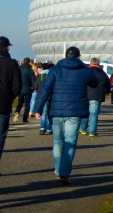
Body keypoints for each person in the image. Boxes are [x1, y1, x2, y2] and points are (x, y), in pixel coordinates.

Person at [33, 46, 99, 185]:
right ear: (78, 57)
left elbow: (45, 89)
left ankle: (58, 170)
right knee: (70, 142)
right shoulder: (84, 71)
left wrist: (37, 108)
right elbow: (95, 83)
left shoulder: (55, 70)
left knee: (58, 142)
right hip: (74, 111)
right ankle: (64, 172)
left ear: (65, 55)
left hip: (56, 111)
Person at [0, 37, 22, 177]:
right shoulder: (12, 64)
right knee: (0, 136)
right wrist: (9, 98)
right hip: (3, 104)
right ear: (7, 47)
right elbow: (17, 87)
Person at [81, 58, 111, 136]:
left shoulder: (86, 71)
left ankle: (83, 129)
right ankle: (92, 132)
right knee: (94, 114)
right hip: (97, 96)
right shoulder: (103, 73)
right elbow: (108, 84)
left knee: (85, 113)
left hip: (86, 94)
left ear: (91, 64)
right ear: (98, 64)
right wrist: (107, 91)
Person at [13, 57, 35, 123]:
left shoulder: (19, 69)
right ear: (29, 62)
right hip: (28, 89)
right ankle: (25, 118)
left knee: (20, 102)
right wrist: (33, 87)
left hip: (20, 88)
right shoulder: (30, 70)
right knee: (27, 104)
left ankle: (17, 111)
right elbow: (33, 80)